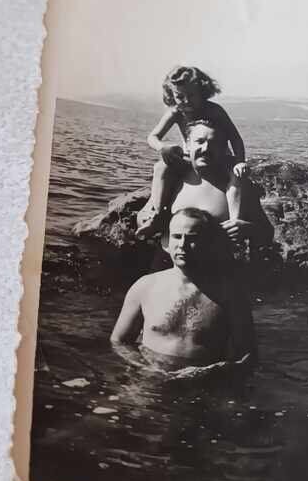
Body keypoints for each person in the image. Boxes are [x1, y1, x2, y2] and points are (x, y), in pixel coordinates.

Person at [111, 207, 256, 376]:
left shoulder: (230, 295)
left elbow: (247, 355)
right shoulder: (145, 287)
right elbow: (119, 342)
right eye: (177, 236)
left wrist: (210, 372)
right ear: (166, 242)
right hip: (149, 380)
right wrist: (144, 367)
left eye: (192, 238)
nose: (182, 245)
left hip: (204, 386)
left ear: (210, 243)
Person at [136, 65, 247, 238]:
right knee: (161, 167)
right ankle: (157, 213)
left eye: (192, 95)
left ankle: (235, 220)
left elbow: (235, 139)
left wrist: (240, 162)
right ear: (171, 95)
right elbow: (153, 136)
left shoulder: (214, 110)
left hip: (218, 158)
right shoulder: (175, 112)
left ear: (202, 91)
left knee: (235, 176)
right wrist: (163, 147)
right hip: (191, 159)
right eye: (180, 96)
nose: (186, 101)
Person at [168, 118, 273, 249]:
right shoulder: (174, 178)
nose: (206, 148)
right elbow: (151, 216)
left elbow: (267, 233)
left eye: (214, 144)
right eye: (199, 141)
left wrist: (247, 229)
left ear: (223, 149)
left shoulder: (236, 185)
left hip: (215, 264)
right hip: (170, 262)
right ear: (188, 145)